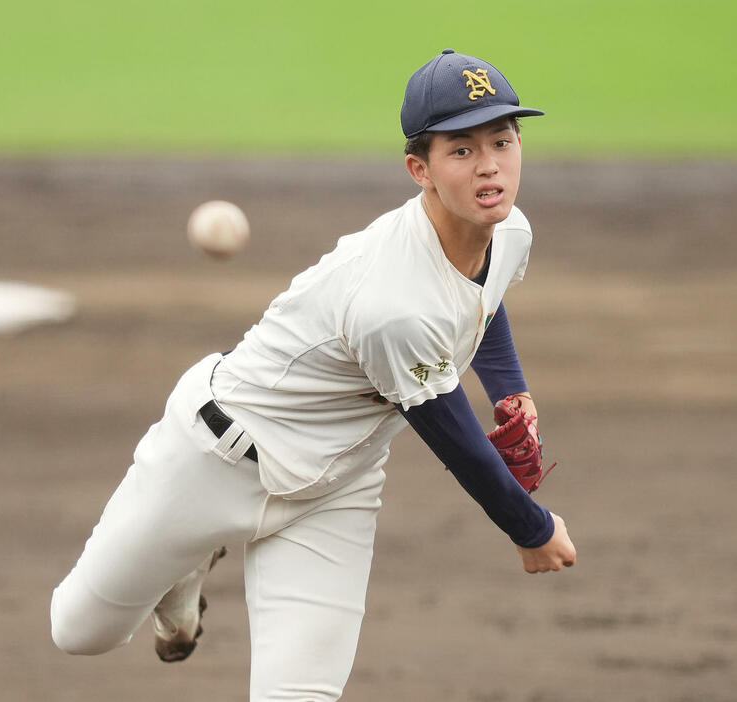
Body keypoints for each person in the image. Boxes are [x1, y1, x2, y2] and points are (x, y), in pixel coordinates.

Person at [50, 49, 576, 701]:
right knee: (79, 629)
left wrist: (510, 387)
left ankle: (192, 567)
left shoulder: (509, 230)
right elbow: (450, 432)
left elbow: (483, 300)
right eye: (462, 150)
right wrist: (532, 527)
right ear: (421, 169)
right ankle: (184, 566)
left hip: (334, 492)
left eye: (503, 139)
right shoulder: (390, 302)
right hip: (214, 459)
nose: (490, 164)